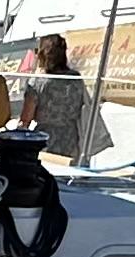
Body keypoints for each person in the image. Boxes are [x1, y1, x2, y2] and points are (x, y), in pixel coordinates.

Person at [17, 31, 105, 162]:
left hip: (45, 138)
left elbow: (26, 119)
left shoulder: (37, 81)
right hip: (71, 137)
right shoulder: (75, 79)